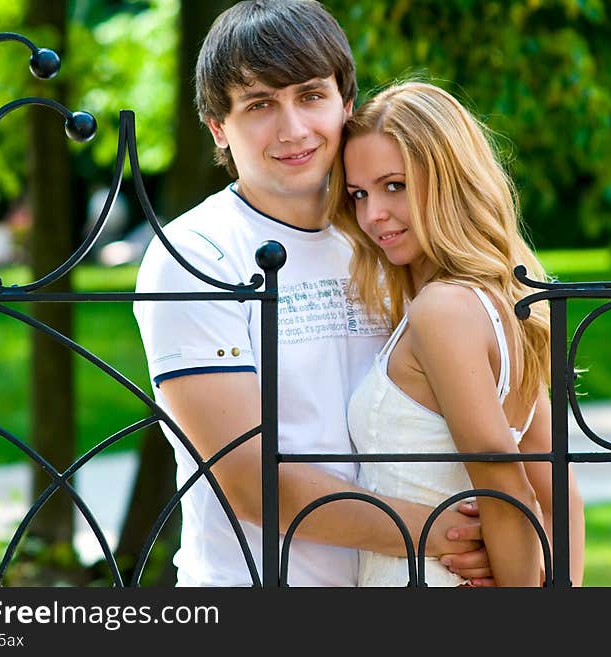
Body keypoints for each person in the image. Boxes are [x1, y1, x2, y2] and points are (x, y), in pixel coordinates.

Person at [133, 1, 492, 587]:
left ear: (345, 105)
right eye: (259, 105)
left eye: (310, 95)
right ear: (218, 128)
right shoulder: (196, 253)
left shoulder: (387, 233)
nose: (293, 129)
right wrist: (444, 535)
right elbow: (249, 480)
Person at [329, 81, 586, 586]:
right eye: (359, 194)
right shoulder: (504, 301)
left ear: (448, 180)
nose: (372, 213)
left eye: (395, 186)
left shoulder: (443, 309)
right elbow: (561, 499)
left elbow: (505, 484)